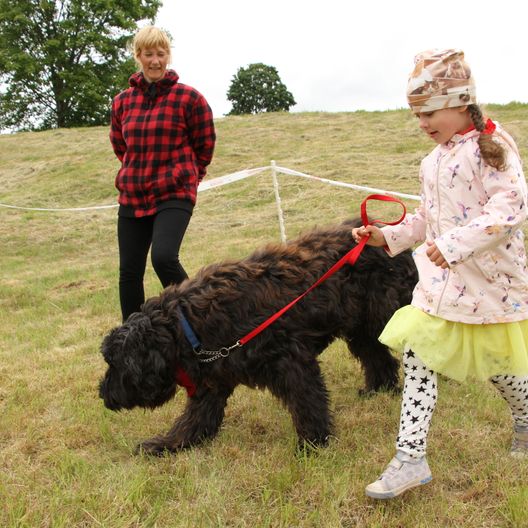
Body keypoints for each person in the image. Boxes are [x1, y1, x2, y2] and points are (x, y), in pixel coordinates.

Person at [352, 49, 528, 500]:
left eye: (429, 111)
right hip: (438, 286)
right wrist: (387, 236)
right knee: (418, 359)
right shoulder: (432, 161)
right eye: (417, 114)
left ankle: (527, 422)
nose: (423, 122)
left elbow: (510, 209)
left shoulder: (492, 147)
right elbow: (429, 218)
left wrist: (453, 246)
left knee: (499, 365)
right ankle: (410, 459)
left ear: (460, 101)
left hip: (490, 286)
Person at [110, 26, 216, 321]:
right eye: (148, 54)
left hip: (173, 193)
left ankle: (202, 320)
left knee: (163, 257)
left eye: (160, 53)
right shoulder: (121, 102)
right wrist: (138, 170)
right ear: (138, 57)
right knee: (129, 271)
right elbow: (121, 146)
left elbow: (205, 143)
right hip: (133, 195)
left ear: (168, 56)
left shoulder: (189, 99)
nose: (155, 60)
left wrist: (190, 174)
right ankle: (132, 339)